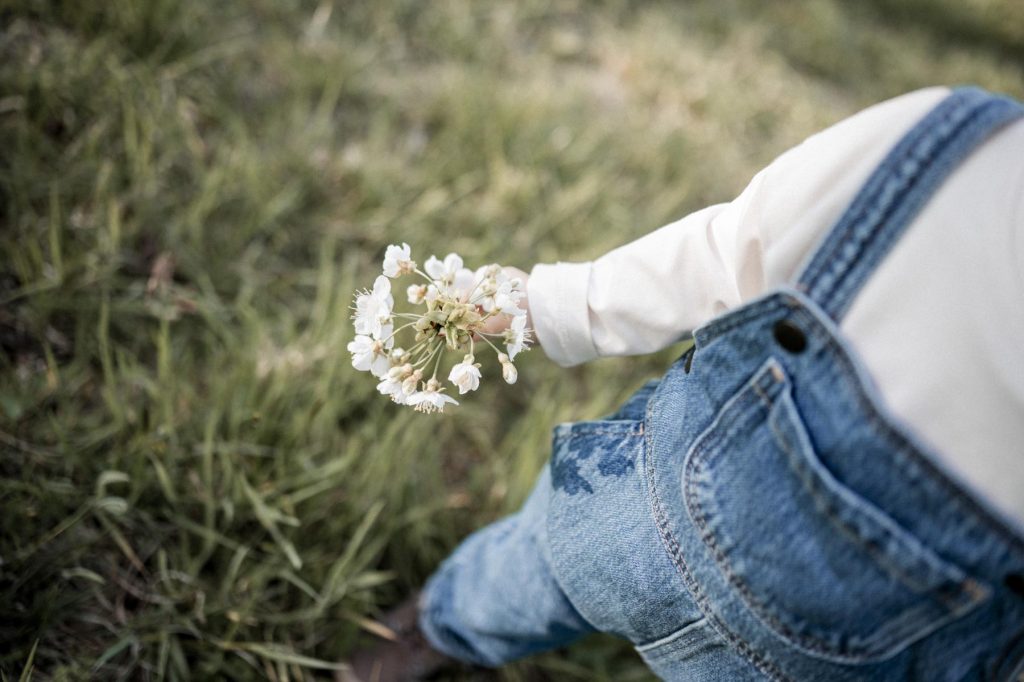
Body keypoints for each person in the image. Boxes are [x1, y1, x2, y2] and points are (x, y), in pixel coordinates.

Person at [350, 86, 1024, 681]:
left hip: (711, 548)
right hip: (679, 534)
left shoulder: (961, 144)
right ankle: (442, 626)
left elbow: (724, 254)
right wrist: (541, 308)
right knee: (528, 572)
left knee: (537, 567)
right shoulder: (960, 146)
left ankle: (441, 627)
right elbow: (726, 254)